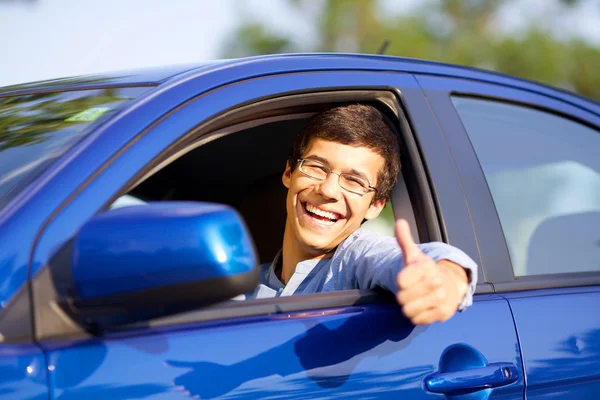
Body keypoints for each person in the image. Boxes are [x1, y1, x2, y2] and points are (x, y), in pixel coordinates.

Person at [248, 104, 478, 325]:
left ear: (375, 205)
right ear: (289, 173)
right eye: (316, 167)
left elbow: (394, 258)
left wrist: (447, 276)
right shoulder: (243, 286)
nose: (328, 190)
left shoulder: (355, 261)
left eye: (354, 181)